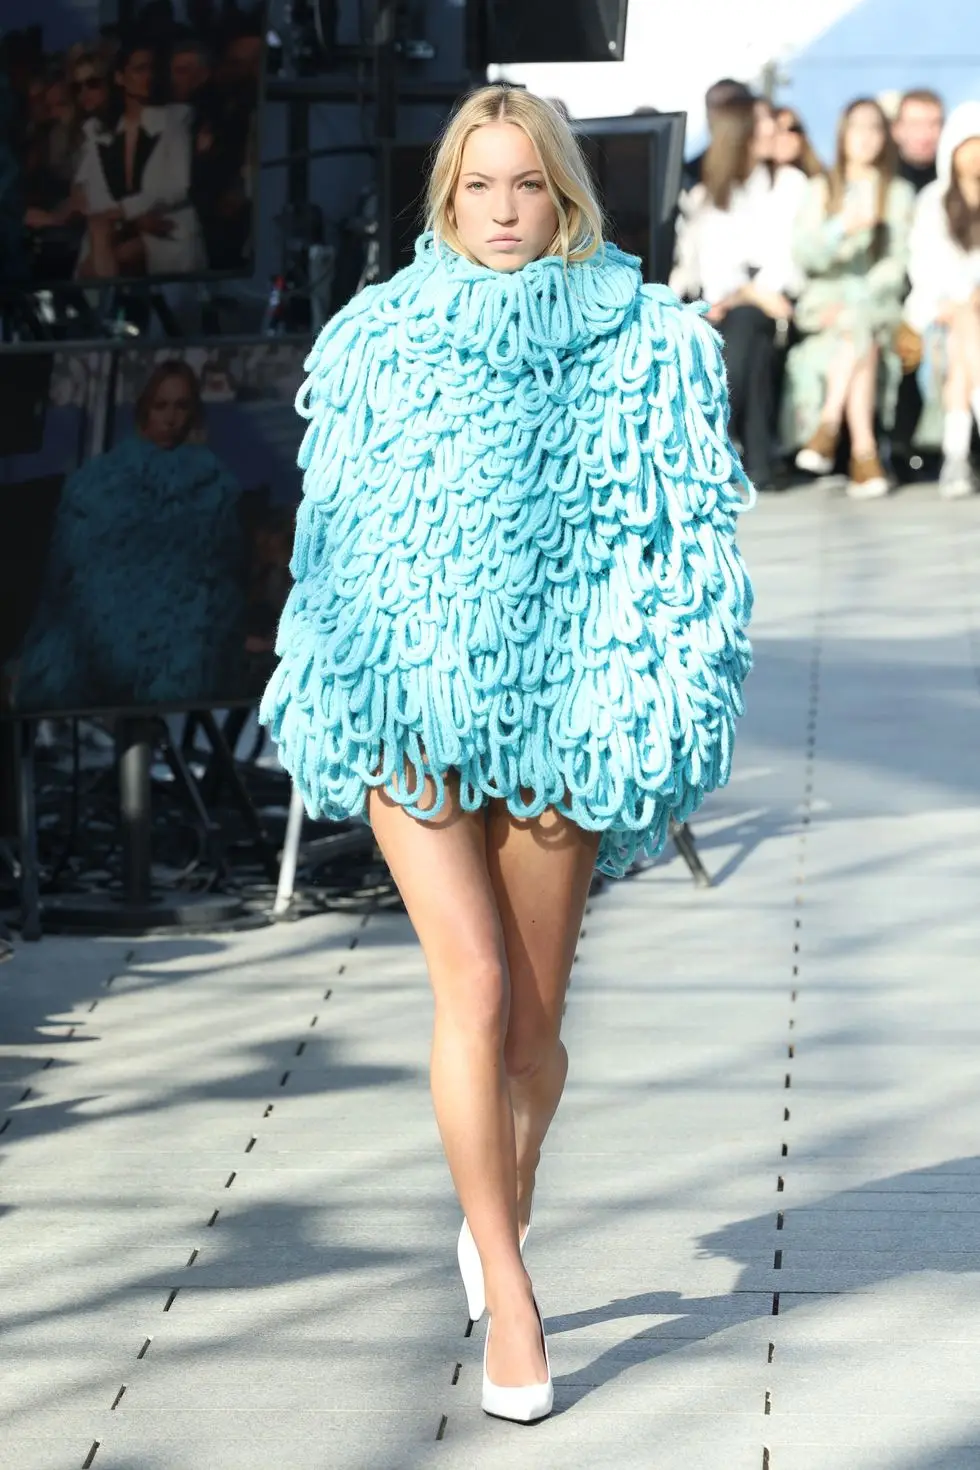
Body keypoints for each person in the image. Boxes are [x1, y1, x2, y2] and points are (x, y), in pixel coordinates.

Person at [260, 85, 754, 1425]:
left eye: (524, 185)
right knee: (473, 988)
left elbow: (685, 544)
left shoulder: (647, 342)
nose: (500, 209)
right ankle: (516, 1291)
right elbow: (338, 540)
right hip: (406, 704)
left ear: (564, 195)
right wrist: (349, 678)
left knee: (535, 1026)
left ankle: (496, 1216)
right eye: (477, 185)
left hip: (566, 712)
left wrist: (645, 695)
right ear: (444, 197)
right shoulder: (379, 339)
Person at [13, 361, 246, 712]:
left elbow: (224, 582)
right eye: (161, 405)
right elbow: (64, 577)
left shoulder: (215, 491)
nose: (170, 419)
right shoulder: (96, 486)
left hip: (180, 659)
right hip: (95, 656)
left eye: (181, 406)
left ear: (193, 412)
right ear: (145, 409)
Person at [671, 94, 808, 489]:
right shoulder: (710, 193)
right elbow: (715, 269)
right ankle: (758, 457)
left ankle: (717, 441)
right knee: (741, 326)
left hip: (777, 302)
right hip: (726, 303)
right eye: (764, 121)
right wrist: (745, 293)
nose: (774, 129)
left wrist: (751, 293)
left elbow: (784, 258)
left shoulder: (788, 183)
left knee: (749, 324)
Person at [789, 98, 916, 499]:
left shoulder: (898, 193)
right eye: (857, 127)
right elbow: (805, 254)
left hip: (877, 306)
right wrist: (839, 228)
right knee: (858, 341)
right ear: (843, 133)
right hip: (827, 307)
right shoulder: (821, 188)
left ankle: (828, 429)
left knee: (858, 329)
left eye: (875, 128)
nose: (865, 137)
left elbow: (899, 264)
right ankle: (865, 455)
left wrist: (859, 298)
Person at [73, 40, 206, 278]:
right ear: (120, 77)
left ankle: (103, 305)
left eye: (152, 68)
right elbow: (91, 195)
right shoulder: (101, 131)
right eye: (139, 69)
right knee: (99, 235)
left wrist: (127, 210)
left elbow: (177, 186)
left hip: (163, 228)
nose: (148, 76)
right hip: (118, 230)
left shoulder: (175, 118)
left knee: (98, 253)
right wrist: (130, 218)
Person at [904, 102, 980, 498]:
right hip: (942, 315)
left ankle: (956, 457)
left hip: (968, 324)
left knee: (965, 343)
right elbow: (926, 265)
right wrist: (957, 301)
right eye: (969, 144)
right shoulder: (934, 202)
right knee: (964, 330)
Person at [683, 76, 755, 190]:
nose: (719, 116)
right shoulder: (688, 175)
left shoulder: (771, 170)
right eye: (713, 106)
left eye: (728, 107)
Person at [893, 88, 944, 194]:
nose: (925, 134)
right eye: (915, 124)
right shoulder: (879, 180)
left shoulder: (955, 181)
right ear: (896, 130)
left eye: (934, 124)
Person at [774, 106, 824, 179]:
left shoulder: (820, 182)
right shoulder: (757, 180)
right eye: (778, 129)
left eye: (792, 129)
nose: (785, 136)